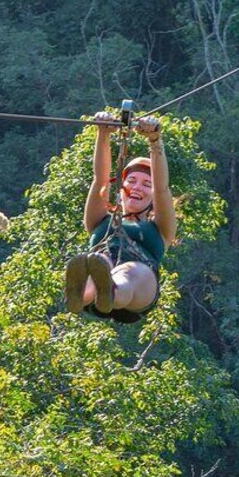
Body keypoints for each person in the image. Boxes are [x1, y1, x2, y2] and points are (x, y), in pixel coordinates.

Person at [64, 111, 177, 323]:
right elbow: (100, 181)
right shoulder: (101, 220)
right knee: (100, 261)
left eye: (146, 184)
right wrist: (103, 134)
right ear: (122, 186)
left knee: (127, 271)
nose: (137, 187)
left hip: (139, 286)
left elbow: (162, 189)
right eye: (132, 180)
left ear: (153, 197)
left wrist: (155, 141)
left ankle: (110, 291)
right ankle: (82, 295)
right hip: (101, 275)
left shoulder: (160, 229)